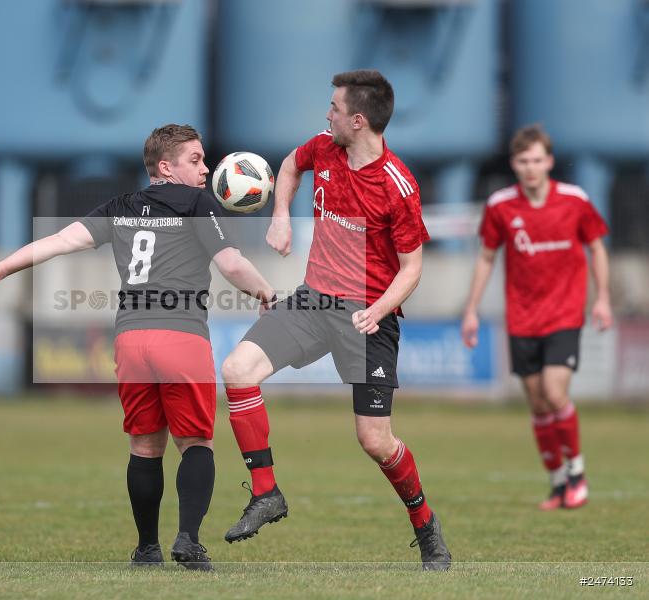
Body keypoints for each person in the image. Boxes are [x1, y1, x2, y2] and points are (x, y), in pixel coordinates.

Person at [0, 124, 276, 570]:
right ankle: (188, 542)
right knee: (196, 443)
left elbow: (58, 241)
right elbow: (231, 264)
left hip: (131, 339)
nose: (206, 168)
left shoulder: (121, 206)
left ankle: (146, 549)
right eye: (196, 160)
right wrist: (267, 294)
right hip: (180, 335)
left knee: (145, 447)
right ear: (166, 166)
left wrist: (2, 267)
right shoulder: (197, 203)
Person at [219, 70, 451, 571]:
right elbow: (288, 165)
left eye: (334, 107)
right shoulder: (325, 146)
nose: (327, 114)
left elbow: (412, 268)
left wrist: (379, 311)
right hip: (315, 300)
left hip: (370, 315)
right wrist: (280, 215)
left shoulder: (398, 187)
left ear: (358, 120)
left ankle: (425, 525)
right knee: (237, 371)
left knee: (374, 440)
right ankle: (266, 494)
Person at [461, 125, 612, 511]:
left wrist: (603, 299)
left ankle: (577, 473)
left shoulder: (575, 201)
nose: (530, 168)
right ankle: (558, 483)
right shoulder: (500, 205)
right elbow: (486, 257)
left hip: (564, 314)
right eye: (523, 161)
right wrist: (472, 310)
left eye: (537, 160)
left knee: (555, 392)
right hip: (522, 318)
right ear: (514, 164)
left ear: (549, 161)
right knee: (538, 405)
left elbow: (596, 248)